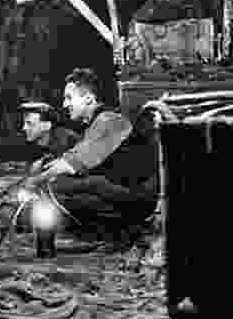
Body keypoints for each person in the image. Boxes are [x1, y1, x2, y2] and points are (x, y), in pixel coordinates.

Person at [25, 68, 158, 231]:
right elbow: (72, 157)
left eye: (69, 98)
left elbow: (70, 164)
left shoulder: (109, 120)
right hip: (125, 192)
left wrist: (33, 182)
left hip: (140, 198)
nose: (64, 104)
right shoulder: (97, 122)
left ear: (88, 99)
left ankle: (118, 232)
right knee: (63, 185)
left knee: (59, 185)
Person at [19, 101, 80, 165]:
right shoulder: (34, 144)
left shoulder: (70, 141)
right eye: (25, 123)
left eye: (29, 123)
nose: (24, 128)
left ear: (47, 125)